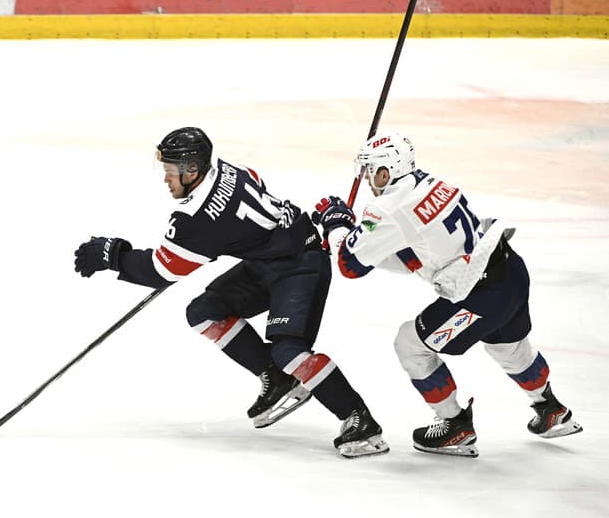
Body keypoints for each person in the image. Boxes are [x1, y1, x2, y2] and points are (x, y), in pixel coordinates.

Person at [73, 126, 389, 458]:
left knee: (290, 351)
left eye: (170, 171)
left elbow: (163, 270)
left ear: (192, 170)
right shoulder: (224, 168)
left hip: (301, 264)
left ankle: (359, 419)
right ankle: (277, 379)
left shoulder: (196, 220)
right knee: (204, 311)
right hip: (270, 258)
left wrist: (113, 255)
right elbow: (252, 186)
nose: (166, 179)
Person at [313, 131, 582, 458]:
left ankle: (454, 425)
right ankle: (551, 409)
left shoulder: (387, 208)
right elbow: (411, 254)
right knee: (509, 348)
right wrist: (356, 240)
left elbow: (350, 267)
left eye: (371, 171)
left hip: (480, 296)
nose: (369, 179)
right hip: (510, 271)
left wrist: (338, 226)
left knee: (410, 344)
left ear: (386, 171)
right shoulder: (430, 184)